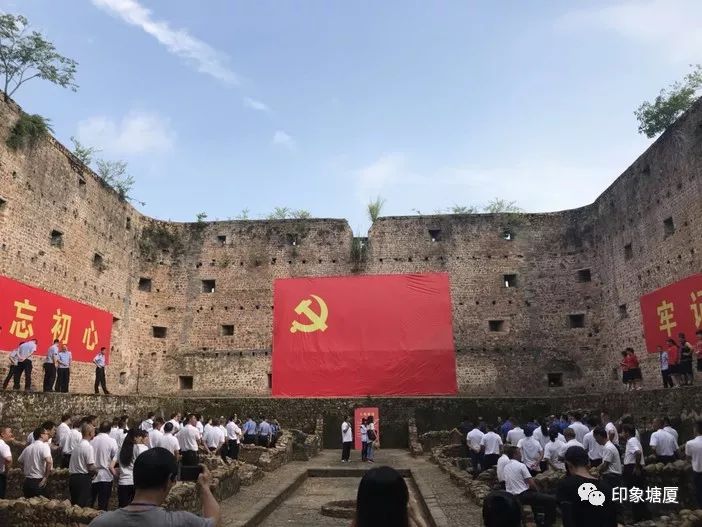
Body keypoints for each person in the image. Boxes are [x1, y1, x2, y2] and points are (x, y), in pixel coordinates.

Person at [90, 447, 220, 526]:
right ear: (170, 480)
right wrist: (205, 488)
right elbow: (216, 523)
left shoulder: (100, 523)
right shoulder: (181, 522)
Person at [556, 446, 617, 527]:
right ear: (588, 463)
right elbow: (612, 520)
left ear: (568, 464)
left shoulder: (565, 485)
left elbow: (567, 517)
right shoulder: (606, 488)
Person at [503, 445, 557, 527]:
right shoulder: (521, 465)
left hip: (511, 495)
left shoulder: (506, 466)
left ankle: (537, 518)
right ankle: (547, 523)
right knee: (551, 499)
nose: (521, 454)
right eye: (519, 453)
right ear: (514, 454)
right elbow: (531, 483)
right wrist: (537, 491)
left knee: (539, 496)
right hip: (522, 495)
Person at [621, 423, 650, 522]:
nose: (622, 434)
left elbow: (638, 452)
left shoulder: (631, 441)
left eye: (623, 432)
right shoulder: (635, 440)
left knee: (634, 493)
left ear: (627, 433)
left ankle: (636, 517)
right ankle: (643, 515)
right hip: (634, 467)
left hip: (632, 468)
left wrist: (636, 467)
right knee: (639, 493)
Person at [113, 428, 149, 507]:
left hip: (123, 482)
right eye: (140, 436)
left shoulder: (121, 449)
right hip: (135, 482)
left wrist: (117, 476)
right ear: (135, 437)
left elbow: (111, 466)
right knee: (135, 509)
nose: (141, 438)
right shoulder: (141, 448)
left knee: (123, 509)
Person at [18, 427, 53, 497]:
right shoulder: (44, 446)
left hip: (27, 482)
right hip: (38, 481)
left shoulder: (28, 448)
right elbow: (49, 461)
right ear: (41, 435)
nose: (48, 435)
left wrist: (25, 469)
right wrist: (45, 477)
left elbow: (20, 461)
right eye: (46, 433)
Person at [91, 421, 118, 511]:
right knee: (103, 504)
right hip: (106, 475)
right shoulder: (111, 441)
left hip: (93, 474)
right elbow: (115, 456)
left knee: (90, 503)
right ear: (109, 430)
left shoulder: (92, 440)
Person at [69, 423, 96, 506]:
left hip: (73, 478)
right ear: (90, 433)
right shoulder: (88, 447)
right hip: (83, 479)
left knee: (75, 504)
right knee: (83, 505)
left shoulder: (77, 446)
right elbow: (90, 467)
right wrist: (96, 472)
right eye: (94, 432)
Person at [684, 419, 702, 508]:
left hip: (697, 472)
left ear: (696, 429)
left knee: (699, 492)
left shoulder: (690, 443)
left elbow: (687, 459)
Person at [0, 426, 14, 498]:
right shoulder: (4, 446)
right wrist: (7, 471)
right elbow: (9, 459)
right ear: (2, 434)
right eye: (10, 432)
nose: (11, 434)